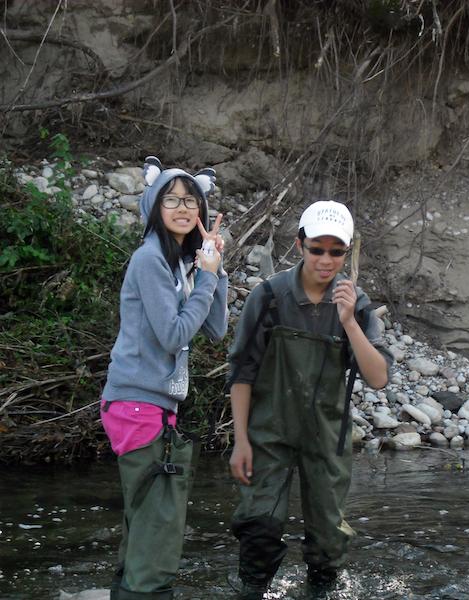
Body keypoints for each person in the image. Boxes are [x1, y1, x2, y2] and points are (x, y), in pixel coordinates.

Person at [226, 200, 392, 599]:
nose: (325, 259)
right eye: (317, 248)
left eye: (336, 251)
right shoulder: (268, 297)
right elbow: (241, 372)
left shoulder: (359, 304)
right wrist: (241, 441)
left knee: (328, 541)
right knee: (260, 526)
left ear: (347, 254)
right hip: (268, 434)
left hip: (327, 439)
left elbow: (379, 377)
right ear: (300, 244)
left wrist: (349, 321)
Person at [100, 156, 229, 600]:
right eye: (171, 199)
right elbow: (174, 335)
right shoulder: (149, 259)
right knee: (157, 529)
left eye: (190, 201)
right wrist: (206, 279)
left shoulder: (176, 263)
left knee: (145, 526)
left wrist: (214, 268)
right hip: (137, 403)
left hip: (151, 406)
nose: (182, 207)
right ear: (155, 206)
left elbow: (215, 328)